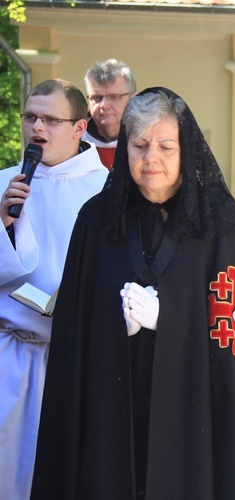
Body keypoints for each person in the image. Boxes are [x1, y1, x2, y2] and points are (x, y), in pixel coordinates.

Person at [31, 88, 235, 499]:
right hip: (113, 412)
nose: (152, 158)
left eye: (167, 146)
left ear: (187, 149)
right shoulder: (97, 224)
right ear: (124, 148)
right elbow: (73, 335)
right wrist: (116, 325)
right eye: (140, 145)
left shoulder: (220, 226)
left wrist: (173, 319)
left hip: (199, 417)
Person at [0, 79, 108, 500]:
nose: (37, 128)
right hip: (9, 356)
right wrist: (3, 224)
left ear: (79, 127)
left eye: (50, 119)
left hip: (72, 361)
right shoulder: (7, 182)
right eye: (30, 117)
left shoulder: (107, 190)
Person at [83, 59, 136, 169]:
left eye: (114, 97)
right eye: (96, 98)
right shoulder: (74, 144)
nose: (104, 105)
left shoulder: (147, 141)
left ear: (133, 99)